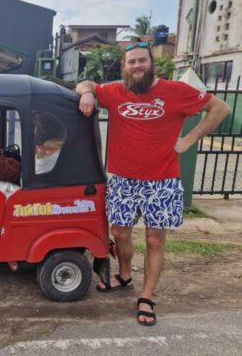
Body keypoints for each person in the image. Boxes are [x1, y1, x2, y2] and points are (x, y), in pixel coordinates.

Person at [76, 42, 230, 326]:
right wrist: (86, 93)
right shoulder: (115, 91)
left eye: (142, 60)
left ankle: (146, 296)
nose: (136, 66)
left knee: (154, 239)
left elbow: (220, 108)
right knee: (120, 233)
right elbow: (86, 84)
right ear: (124, 66)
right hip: (122, 179)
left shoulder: (177, 91)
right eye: (131, 61)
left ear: (152, 63)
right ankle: (124, 276)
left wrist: (189, 140)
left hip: (162, 181)